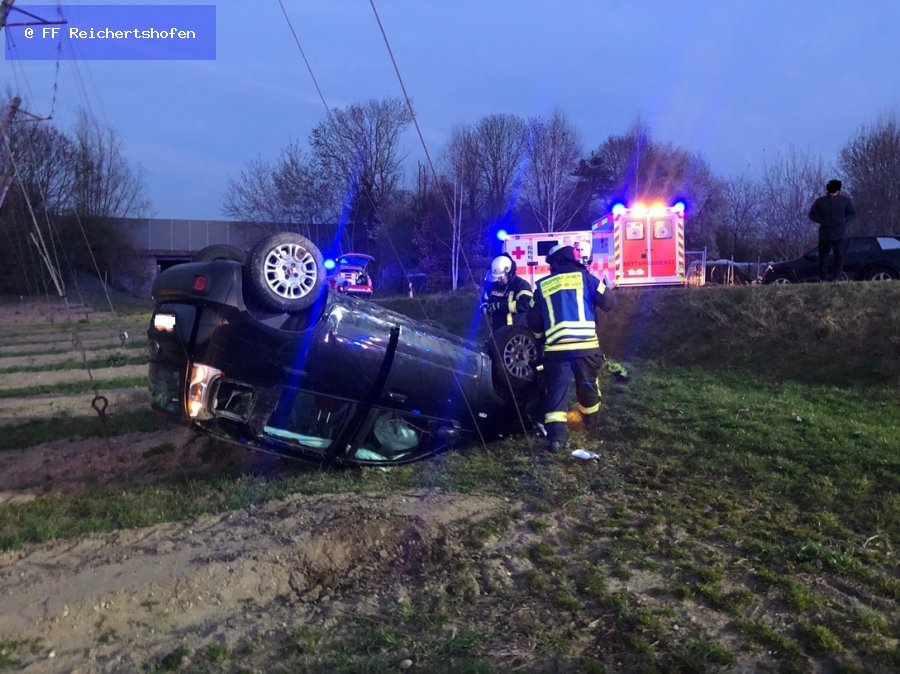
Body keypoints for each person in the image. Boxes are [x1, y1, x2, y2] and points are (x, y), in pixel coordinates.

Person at [528, 244, 616, 454]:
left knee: (556, 392)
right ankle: (591, 422)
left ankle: (557, 439)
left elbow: (534, 322)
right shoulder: (586, 278)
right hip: (586, 349)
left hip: (556, 352)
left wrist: (541, 340)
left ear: (555, 264)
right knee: (587, 385)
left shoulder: (542, 286)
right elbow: (610, 302)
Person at [808, 179, 856, 281]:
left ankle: (837, 277)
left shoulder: (844, 200)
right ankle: (823, 278)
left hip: (839, 233)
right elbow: (812, 214)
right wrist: (821, 221)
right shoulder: (820, 201)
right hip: (825, 234)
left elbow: (852, 213)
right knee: (823, 258)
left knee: (838, 256)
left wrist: (844, 220)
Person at [480, 253, 533, 330]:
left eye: (501, 277)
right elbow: (484, 300)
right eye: (496, 277)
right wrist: (485, 309)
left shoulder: (521, 285)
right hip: (497, 331)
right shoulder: (494, 285)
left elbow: (526, 305)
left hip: (516, 331)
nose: (498, 280)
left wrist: (500, 306)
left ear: (509, 273)